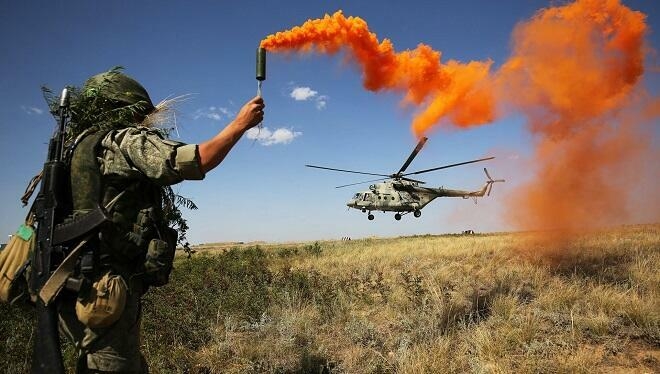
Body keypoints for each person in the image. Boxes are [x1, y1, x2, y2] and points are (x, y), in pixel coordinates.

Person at [49, 69, 265, 373]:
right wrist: (240, 124)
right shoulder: (122, 141)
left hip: (65, 285)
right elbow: (194, 160)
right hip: (104, 289)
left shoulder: (73, 151)